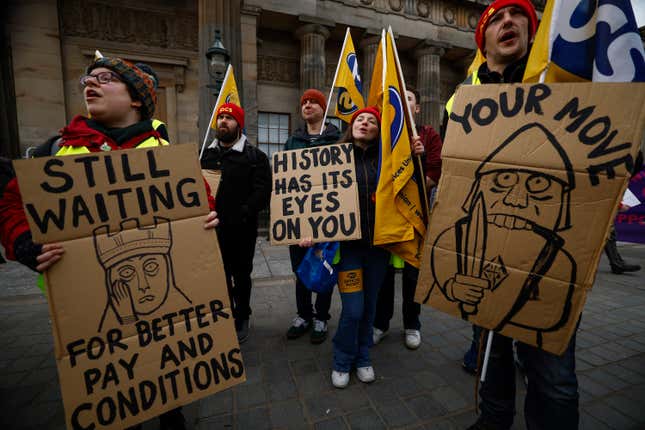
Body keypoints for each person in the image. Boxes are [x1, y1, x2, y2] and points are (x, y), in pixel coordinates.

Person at [0, 57, 219, 430]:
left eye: (106, 79)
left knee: (167, 357)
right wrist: (23, 244)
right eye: (89, 78)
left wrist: (210, 217)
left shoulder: (166, 154)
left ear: (136, 98)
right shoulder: (56, 151)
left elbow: (201, 203)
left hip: (161, 291)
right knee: (112, 382)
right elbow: (10, 205)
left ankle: (171, 411)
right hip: (84, 298)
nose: (91, 84)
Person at [439, 2, 581, 429]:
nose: (508, 23)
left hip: (550, 271)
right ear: (482, 40)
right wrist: (451, 279)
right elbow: (454, 185)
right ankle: (493, 421)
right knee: (490, 355)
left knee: (553, 376)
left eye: (518, 16)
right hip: (485, 255)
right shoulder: (459, 102)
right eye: (496, 18)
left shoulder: (561, 82)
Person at [373, 86, 442, 349]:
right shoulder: (384, 135)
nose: (404, 101)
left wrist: (418, 159)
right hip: (388, 216)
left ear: (417, 108)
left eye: (409, 98)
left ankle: (412, 324)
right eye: (399, 98)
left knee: (413, 275)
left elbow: (434, 172)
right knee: (385, 275)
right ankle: (380, 323)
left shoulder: (428, 135)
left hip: (415, 218)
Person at [201, 102, 271, 344]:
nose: (223, 121)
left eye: (229, 118)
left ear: (238, 125)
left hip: (242, 230)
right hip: (211, 229)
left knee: (241, 275)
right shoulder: (205, 155)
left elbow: (262, 193)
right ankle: (225, 312)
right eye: (220, 117)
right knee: (219, 274)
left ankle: (242, 315)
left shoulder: (255, 157)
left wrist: (243, 212)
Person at [284, 89, 341, 344]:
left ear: (323, 108)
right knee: (301, 270)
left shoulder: (337, 140)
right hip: (298, 220)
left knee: (325, 268)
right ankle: (303, 315)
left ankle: (322, 317)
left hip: (328, 218)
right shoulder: (292, 141)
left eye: (313, 102)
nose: (307, 105)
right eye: (304, 102)